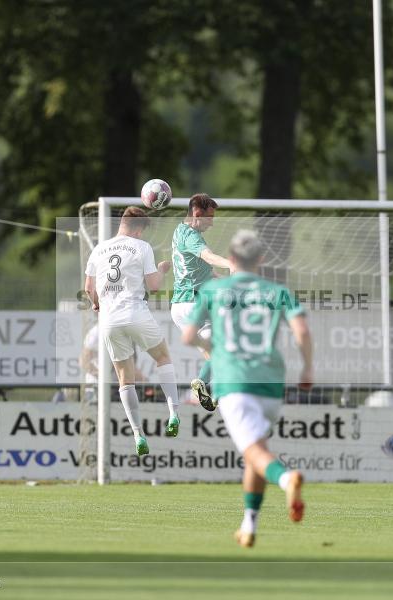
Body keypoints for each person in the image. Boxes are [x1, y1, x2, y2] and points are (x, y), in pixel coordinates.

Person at [182, 230, 312, 548]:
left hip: (235, 382)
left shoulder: (213, 289)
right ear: (261, 260)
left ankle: (286, 479)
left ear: (231, 259)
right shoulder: (277, 291)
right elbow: (302, 332)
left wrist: (207, 342)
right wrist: (308, 368)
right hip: (271, 382)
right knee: (256, 452)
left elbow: (188, 337)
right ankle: (249, 524)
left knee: (254, 452)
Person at [84, 206, 181, 456]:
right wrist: (162, 269)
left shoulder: (99, 249)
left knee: (125, 379)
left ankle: (138, 434)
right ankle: (173, 413)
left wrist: (96, 302)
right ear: (138, 229)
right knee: (162, 357)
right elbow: (154, 286)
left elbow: (88, 287)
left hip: (109, 320)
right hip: (135, 311)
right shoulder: (141, 247)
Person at [170, 193, 232, 411]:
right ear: (197, 214)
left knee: (213, 355)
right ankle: (202, 384)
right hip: (193, 303)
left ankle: (214, 390)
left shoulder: (180, 231)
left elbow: (205, 271)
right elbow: (208, 256)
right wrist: (230, 264)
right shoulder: (193, 237)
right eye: (209, 217)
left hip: (179, 307)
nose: (212, 222)